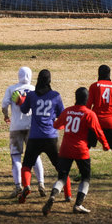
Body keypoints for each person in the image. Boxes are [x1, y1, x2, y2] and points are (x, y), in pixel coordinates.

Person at [43, 87, 110, 215]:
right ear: (87, 99)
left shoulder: (67, 111)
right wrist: (105, 145)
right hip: (81, 150)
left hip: (65, 149)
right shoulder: (89, 114)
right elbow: (98, 131)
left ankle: (52, 196)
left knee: (62, 178)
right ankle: (78, 205)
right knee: (86, 178)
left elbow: (57, 125)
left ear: (76, 97)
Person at [15, 69, 71, 203]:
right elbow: (61, 115)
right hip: (51, 136)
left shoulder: (32, 95)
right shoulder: (55, 95)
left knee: (27, 165)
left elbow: (24, 109)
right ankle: (67, 195)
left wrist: (20, 100)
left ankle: (27, 186)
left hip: (34, 137)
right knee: (61, 168)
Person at [1, 66, 46, 198]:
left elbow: (4, 105)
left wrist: (6, 115)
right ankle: (41, 183)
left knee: (16, 156)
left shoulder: (11, 89)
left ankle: (18, 186)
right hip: (32, 127)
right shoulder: (34, 89)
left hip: (16, 127)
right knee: (35, 155)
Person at [86, 64, 112, 184]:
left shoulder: (94, 86)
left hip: (96, 122)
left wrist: (86, 121)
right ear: (109, 74)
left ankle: (82, 173)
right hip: (111, 122)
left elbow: (88, 105)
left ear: (98, 73)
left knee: (86, 147)